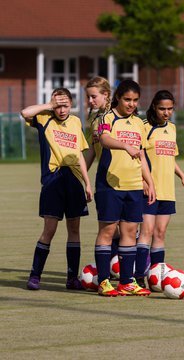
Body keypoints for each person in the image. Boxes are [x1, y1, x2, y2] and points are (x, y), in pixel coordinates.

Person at [21, 88, 93, 290]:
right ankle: (35, 275)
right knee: (49, 230)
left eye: (65, 105)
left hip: (74, 180)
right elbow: (25, 113)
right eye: (58, 106)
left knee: (74, 229)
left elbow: (79, 154)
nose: (61, 110)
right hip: (53, 179)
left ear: (71, 105)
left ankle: (72, 278)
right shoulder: (44, 117)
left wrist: (87, 183)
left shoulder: (76, 122)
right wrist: (48, 105)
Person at [94, 79, 156, 296]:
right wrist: (125, 145)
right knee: (108, 231)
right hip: (109, 184)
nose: (131, 104)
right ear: (118, 98)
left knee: (130, 232)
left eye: (135, 100)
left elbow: (142, 157)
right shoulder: (106, 117)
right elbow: (103, 139)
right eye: (127, 99)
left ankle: (127, 282)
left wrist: (149, 182)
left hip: (133, 185)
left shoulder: (139, 123)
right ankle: (103, 282)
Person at [134, 90, 184, 288]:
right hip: (149, 190)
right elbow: (136, 156)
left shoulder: (172, 128)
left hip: (167, 191)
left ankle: (156, 278)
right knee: (146, 232)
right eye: (162, 109)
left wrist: (182, 176)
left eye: (169, 109)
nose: (166, 113)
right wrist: (143, 181)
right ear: (154, 107)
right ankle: (138, 278)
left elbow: (170, 157)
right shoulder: (143, 126)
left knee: (160, 233)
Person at [84, 76, 120, 259]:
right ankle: (114, 267)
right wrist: (81, 174)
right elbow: (91, 149)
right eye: (88, 97)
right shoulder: (94, 118)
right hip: (103, 177)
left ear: (106, 95)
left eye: (94, 96)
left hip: (122, 177)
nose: (90, 101)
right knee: (110, 227)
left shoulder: (117, 115)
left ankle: (137, 268)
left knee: (127, 227)